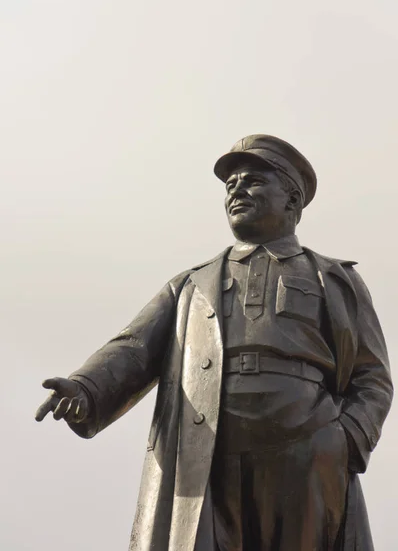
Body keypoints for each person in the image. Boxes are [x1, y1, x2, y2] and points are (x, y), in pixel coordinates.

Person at [36, 134, 393, 551]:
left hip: (307, 449)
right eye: (230, 185)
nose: (237, 190)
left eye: (254, 181)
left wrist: (345, 439)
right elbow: (133, 348)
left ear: (293, 201)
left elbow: (373, 377)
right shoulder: (192, 285)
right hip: (209, 449)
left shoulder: (334, 279)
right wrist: (85, 388)